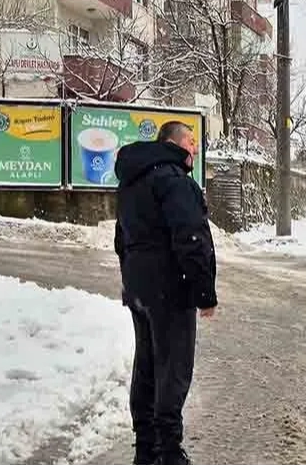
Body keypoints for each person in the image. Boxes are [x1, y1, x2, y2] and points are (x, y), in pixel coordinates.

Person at [114, 121, 218, 466]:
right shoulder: (174, 180)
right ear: (175, 143)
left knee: (146, 366)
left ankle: (146, 448)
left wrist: (132, 280)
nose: (195, 148)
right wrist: (204, 292)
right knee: (173, 368)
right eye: (191, 141)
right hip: (170, 288)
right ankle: (170, 453)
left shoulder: (133, 181)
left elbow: (121, 239)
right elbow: (191, 237)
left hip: (139, 287)